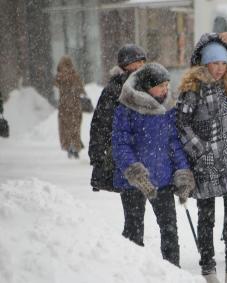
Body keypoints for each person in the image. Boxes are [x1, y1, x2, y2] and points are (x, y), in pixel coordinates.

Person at [176, 32, 227, 283]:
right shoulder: (192, 90)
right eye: (215, 63)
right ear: (204, 63)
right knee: (207, 218)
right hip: (207, 163)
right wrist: (200, 151)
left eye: (224, 63)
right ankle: (208, 268)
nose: (220, 69)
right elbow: (181, 124)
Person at [112, 62, 195, 267]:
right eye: (161, 86)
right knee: (134, 228)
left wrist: (182, 171)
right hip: (134, 182)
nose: (165, 90)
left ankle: (172, 269)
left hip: (163, 178)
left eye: (167, 85)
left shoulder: (168, 108)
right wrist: (134, 171)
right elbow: (120, 143)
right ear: (148, 86)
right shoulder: (127, 108)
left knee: (169, 228)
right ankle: (133, 271)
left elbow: (173, 142)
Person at [89, 44, 146, 192]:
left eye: (142, 61)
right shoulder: (113, 90)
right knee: (133, 207)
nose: (141, 65)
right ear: (125, 65)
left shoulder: (151, 85)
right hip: (125, 157)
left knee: (163, 211)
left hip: (149, 156)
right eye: (137, 61)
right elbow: (100, 124)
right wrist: (98, 158)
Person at [55, 55, 85, 159]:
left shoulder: (59, 76)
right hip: (75, 106)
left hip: (64, 107)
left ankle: (69, 147)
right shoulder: (75, 75)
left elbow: (55, 85)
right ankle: (75, 147)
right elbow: (81, 89)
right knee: (75, 128)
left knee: (65, 128)